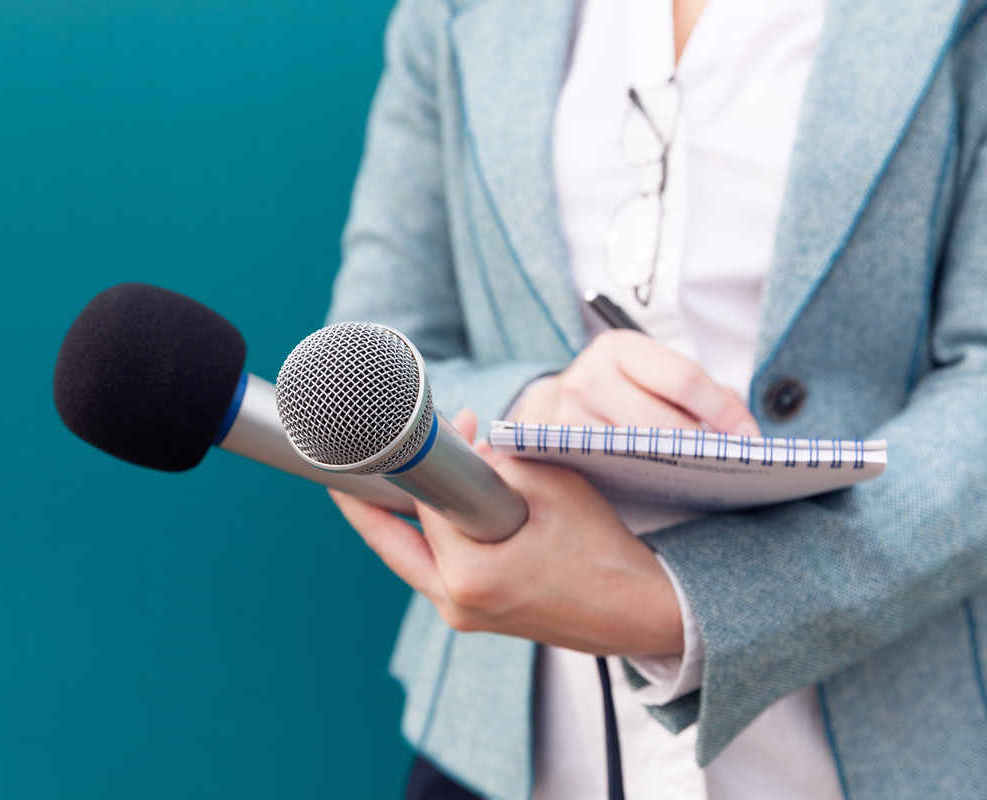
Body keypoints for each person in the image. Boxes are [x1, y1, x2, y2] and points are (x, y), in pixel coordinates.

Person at [325, 0, 987, 798]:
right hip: (501, 757)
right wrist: (538, 408)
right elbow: (377, 345)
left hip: (887, 745)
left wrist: (681, 608)